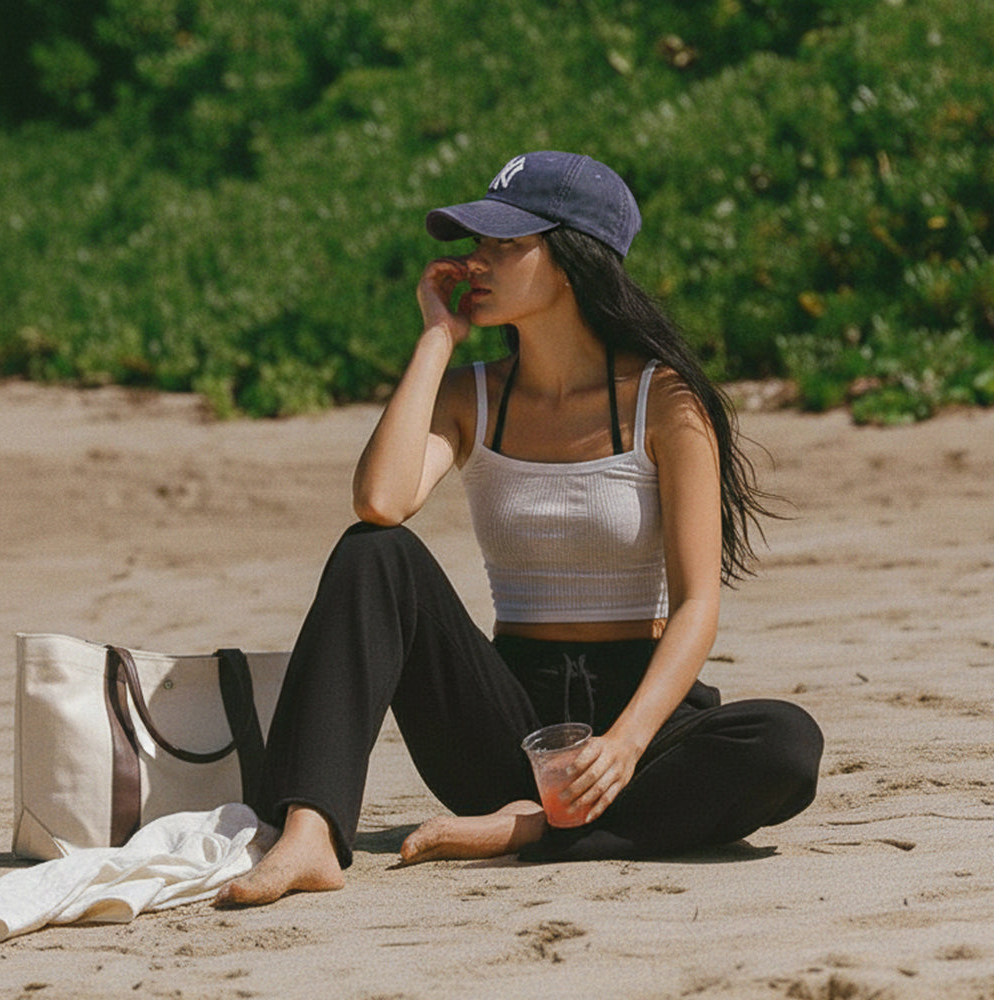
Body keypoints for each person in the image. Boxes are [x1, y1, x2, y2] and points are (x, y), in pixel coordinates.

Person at [215, 150, 823, 907]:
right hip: (508, 727)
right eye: (478, 242)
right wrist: (437, 340)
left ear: (572, 261)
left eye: (506, 245)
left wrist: (624, 745)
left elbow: (698, 603)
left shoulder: (665, 402)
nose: (477, 262)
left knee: (785, 743)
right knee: (374, 553)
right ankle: (309, 830)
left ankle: (534, 830)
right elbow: (380, 500)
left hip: (639, 715)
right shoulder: (472, 396)